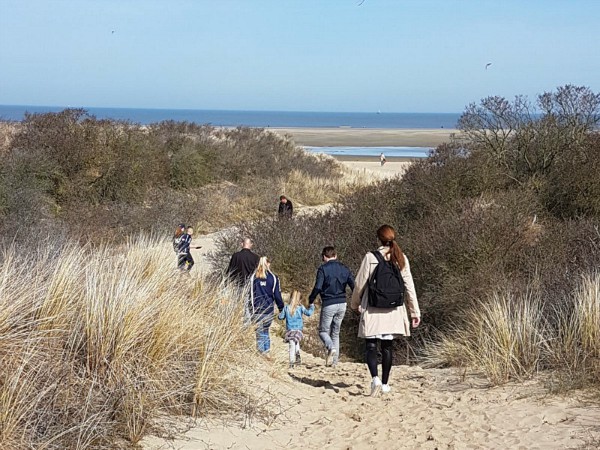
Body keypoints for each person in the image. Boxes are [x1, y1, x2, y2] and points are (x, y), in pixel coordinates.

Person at [351, 224, 420, 397]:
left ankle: (374, 378)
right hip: (394, 310)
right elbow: (409, 286)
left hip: (373, 307)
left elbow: (360, 284)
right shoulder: (400, 257)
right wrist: (414, 312)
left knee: (371, 345)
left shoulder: (370, 257)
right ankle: (385, 383)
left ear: (379, 238)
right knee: (388, 347)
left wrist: (354, 304)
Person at [309, 246, 355, 367]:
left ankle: (330, 347)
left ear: (324, 257)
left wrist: (310, 299)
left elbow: (318, 287)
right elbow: (354, 286)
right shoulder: (344, 268)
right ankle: (334, 362)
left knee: (323, 331)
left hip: (329, 303)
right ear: (336, 255)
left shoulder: (323, 269)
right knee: (335, 333)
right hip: (342, 303)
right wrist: (358, 301)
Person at [249, 256, 285, 354]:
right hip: (268, 310)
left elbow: (250, 295)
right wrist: (281, 308)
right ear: (268, 264)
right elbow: (277, 295)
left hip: (257, 310)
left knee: (260, 333)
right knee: (265, 332)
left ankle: (262, 354)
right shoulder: (273, 278)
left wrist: (250, 309)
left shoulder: (253, 277)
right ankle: (267, 352)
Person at [278, 290, 315, 368]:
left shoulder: (286, 307)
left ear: (290, 298)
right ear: (300, 299)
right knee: (296, 342)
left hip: (290, 330)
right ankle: (297, 353)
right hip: (298, 330)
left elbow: (280, 317)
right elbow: (308, 313)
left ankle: (291, 363)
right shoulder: (301, 307)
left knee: (291, 346)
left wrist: (280, 312)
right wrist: (312, 306)